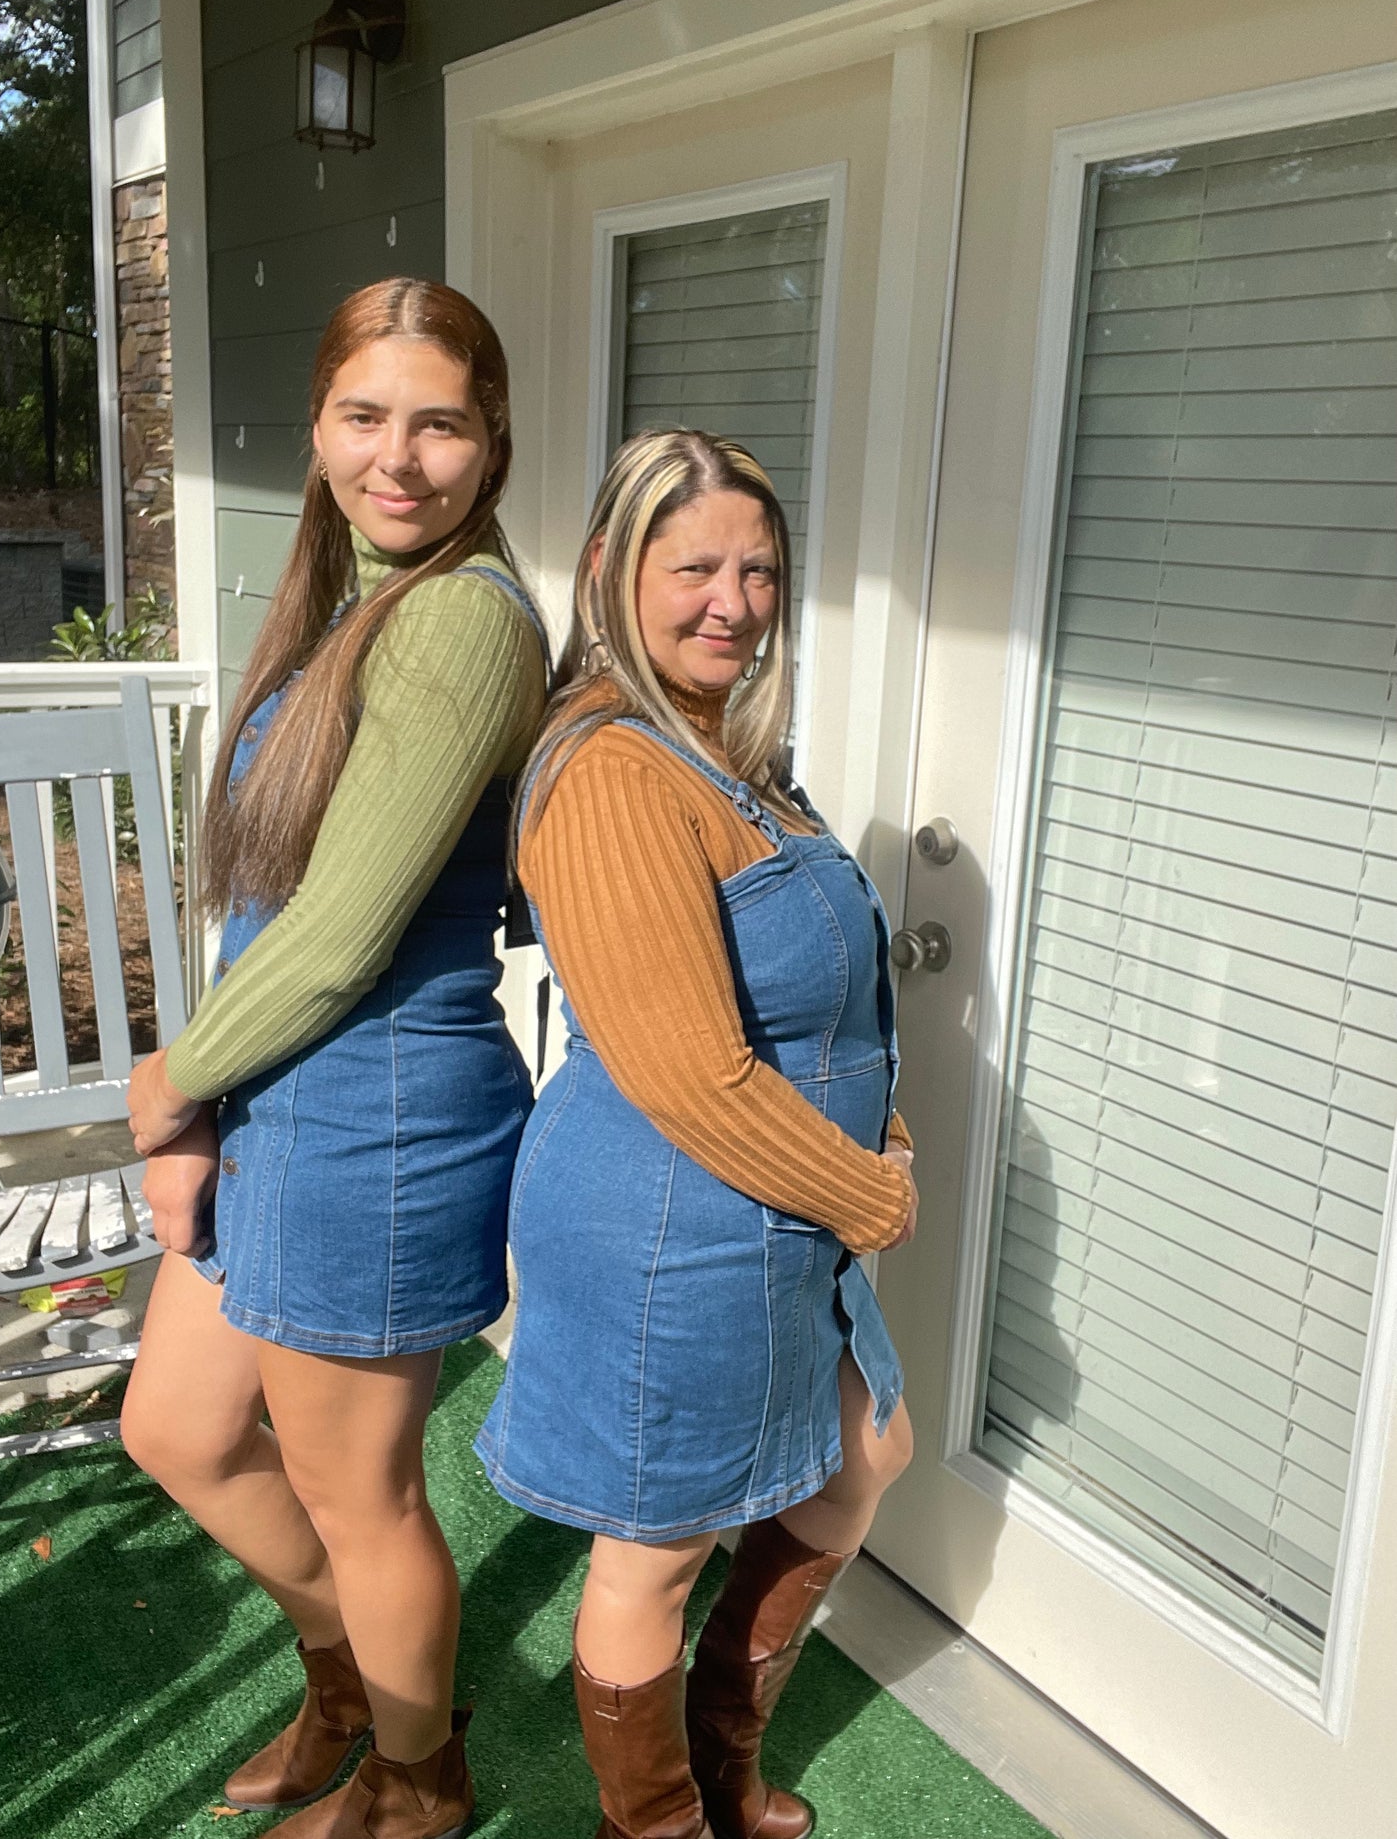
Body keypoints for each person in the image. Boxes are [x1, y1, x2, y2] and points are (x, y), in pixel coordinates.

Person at [121, 278, 546, 1839]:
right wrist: (212, 1099)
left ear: (492, 443)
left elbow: (337, 930)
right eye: (366, 416)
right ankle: (354, 1685)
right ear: (316, 427)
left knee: (358, 1499)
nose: (399, 456)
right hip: (284, 1091)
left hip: (373, 1108)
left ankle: (417, 1783)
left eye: (440, 423)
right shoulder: (349, 595)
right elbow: (271, 903)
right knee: (172, 1428)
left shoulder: (458, 621)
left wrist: (168, 1087)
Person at [475, 429, 917, 1839]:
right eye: (694, 568)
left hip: (782, 1211)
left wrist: (878, 1119)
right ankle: (653, 1820)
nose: (732, 600)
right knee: (653, 1551)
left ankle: (719, 1759)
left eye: (759, 568)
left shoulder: (722, 752)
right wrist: (871, 1193)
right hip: (676, 1221)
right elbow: (689, 1077)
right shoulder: (612, 769)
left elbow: (818, 998)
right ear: (610, 570)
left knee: (865, 1459)